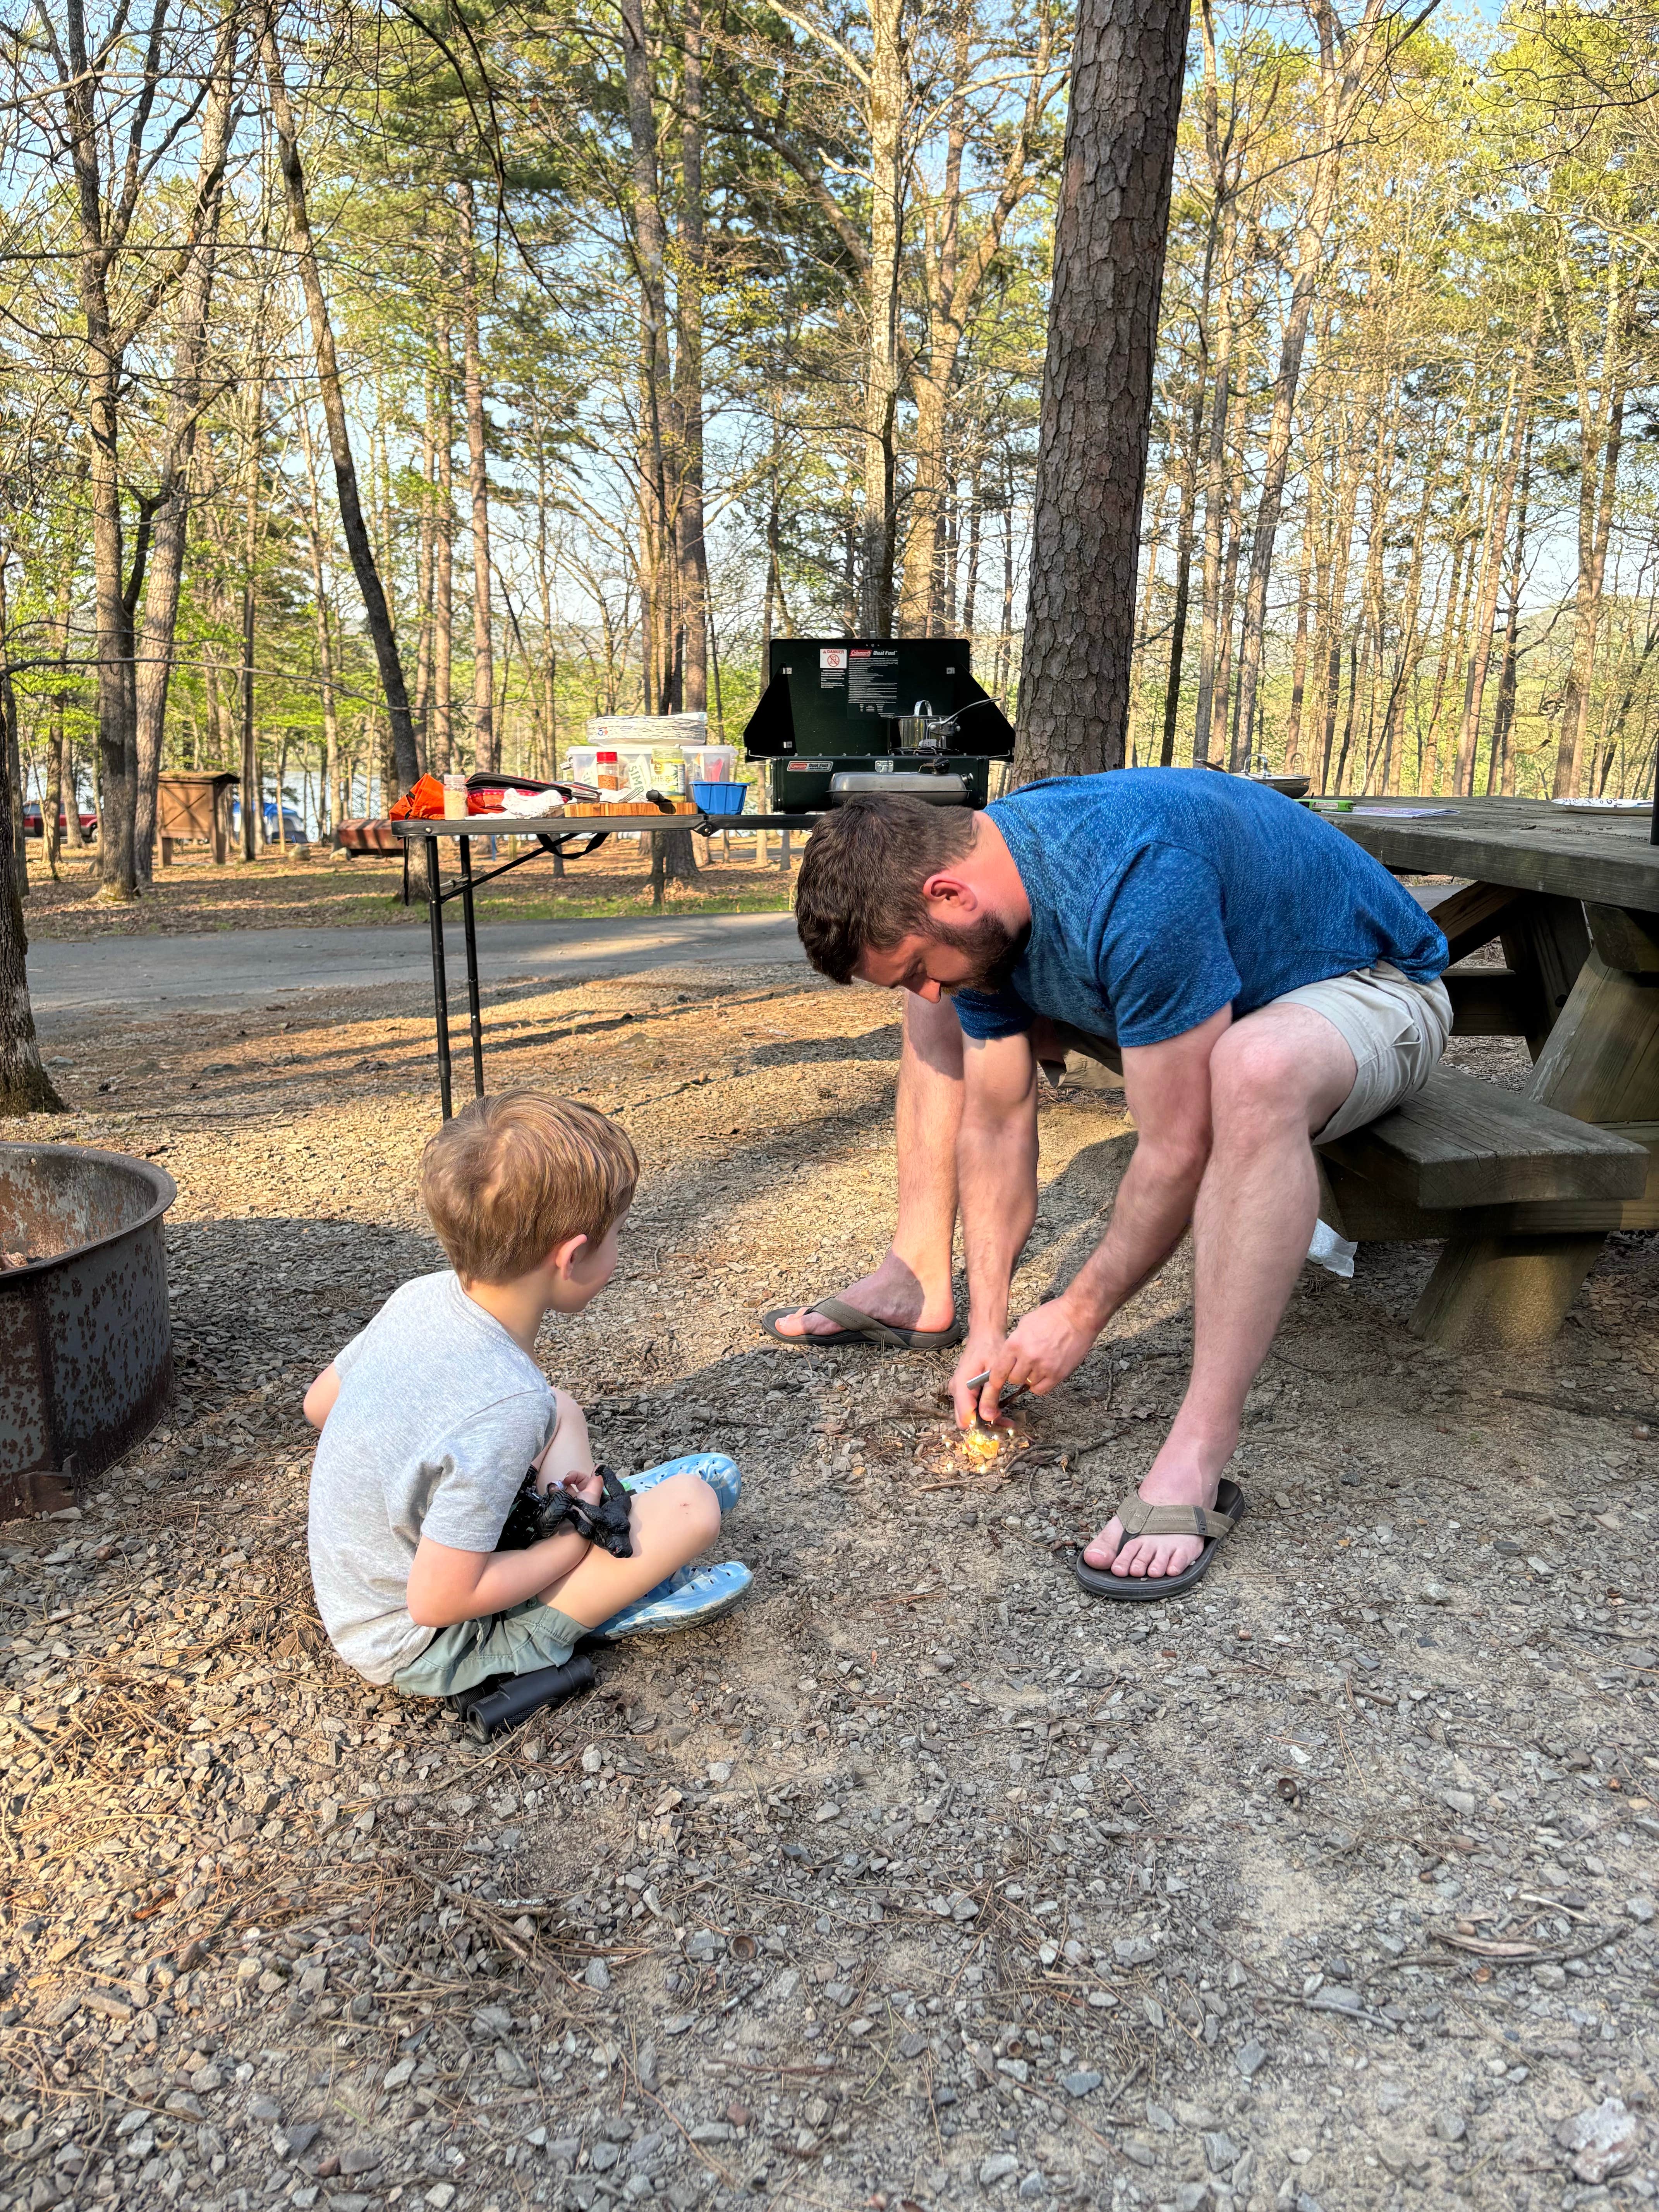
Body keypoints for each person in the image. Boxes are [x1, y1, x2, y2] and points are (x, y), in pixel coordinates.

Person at [776, 773, 1451, 1600]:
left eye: (916, 965)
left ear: (948, 893)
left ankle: (1199, 1452)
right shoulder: (986, 907)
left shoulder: (1138, 879)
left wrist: (1081, 1310)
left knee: (1251, 1071)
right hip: (1224, 989)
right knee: (942, 1011)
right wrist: (992, 1324)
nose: (925, 985)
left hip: (1369, 988)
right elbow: (995, 1120)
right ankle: (927, 1292)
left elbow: (1179, 1146)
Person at [303, 1091, 749, 1699]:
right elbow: (438, 1601)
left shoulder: (422, 1295)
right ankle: (605, 1595)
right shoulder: (507, 1407)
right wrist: (570, 1546)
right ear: (571, 1257)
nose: (621, 1249)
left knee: (558, 1406)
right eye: (618, 1234)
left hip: (368, 1586)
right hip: (428, 1643)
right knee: (695, 1506)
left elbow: (319, 1406)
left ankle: (584, 1517)